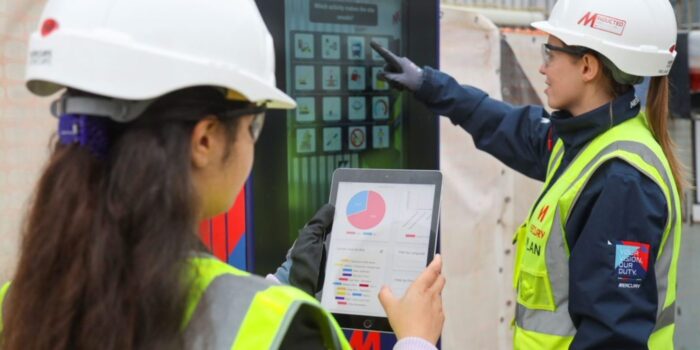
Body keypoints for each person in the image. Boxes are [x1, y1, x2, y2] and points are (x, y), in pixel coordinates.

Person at [0, 0, 445, 349]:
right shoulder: (291, 335)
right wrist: (416, 339)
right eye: (255, 123)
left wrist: (280, 284)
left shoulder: (17, 307)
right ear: (206, 140)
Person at [372, 0, 682, 349]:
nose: (542, 68)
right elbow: (506, 125)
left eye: (550, 54)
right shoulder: (583, 141)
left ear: (588, 67)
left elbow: (612, 339)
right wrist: (429, 84)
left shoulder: (622, 181)